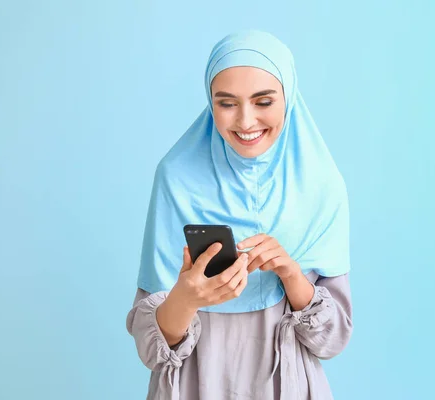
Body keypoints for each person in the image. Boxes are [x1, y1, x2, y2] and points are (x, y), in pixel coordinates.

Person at [126, 30, 353, 400]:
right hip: (195, 385)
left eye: (263, 101)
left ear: (289, 97)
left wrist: (291, 274)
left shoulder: (321, 184)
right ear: (209, 102)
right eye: (227, 103)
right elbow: (151, 352)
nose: (246, 122)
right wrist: (186, 298)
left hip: (287, 387)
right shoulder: (177, 177)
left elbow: (333, 339)